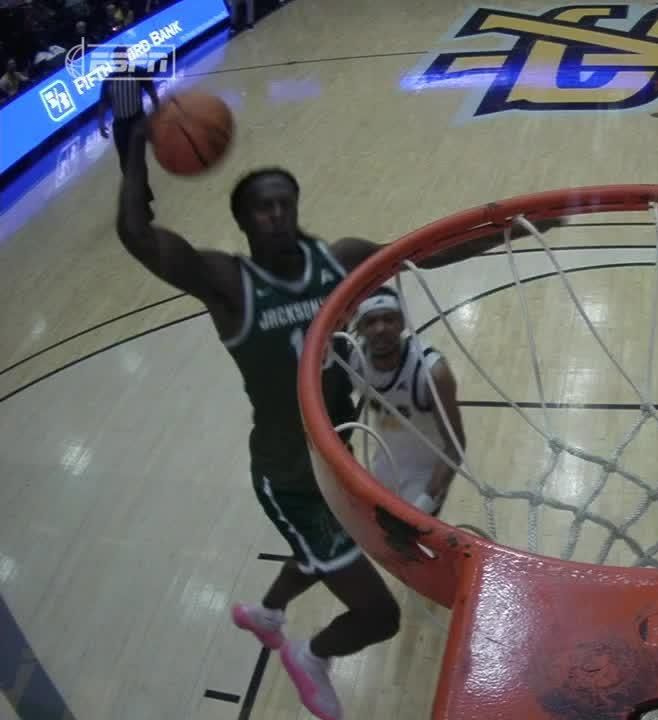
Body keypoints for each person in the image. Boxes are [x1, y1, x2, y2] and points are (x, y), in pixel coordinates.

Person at [113, 122, 558, 720]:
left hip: (341, 455)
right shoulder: (227, 282)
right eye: (261, 209)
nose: (275, 215)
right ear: (243, 224)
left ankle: (267, 613)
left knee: (336, 547)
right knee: (379, 615)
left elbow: (423, 255)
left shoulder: (340, 262)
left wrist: (511, 230)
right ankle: (310, 655)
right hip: (291, 476)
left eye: (283, 203)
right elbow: (137, 235)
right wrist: (133, 147)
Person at [346, 286, 465, 516]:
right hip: (384, 464)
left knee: (407, 545)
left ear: (402, 323)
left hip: (426, 476)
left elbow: (454, 447)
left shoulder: (431, 373)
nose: (380, 328)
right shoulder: (353, 360)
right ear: (358, 329)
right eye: (370, 322)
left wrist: (425, 504)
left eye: (389, 319)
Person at [99, 48, 160, 201]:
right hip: (120, 125)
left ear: (126, 59)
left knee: (138, 159)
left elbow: (152, 92)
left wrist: (158, 112)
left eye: (122, 58)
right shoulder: (109, 80)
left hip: (137, 121)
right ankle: (137, 191)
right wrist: (100, 123)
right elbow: (103, 103)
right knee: (125, 162)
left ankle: (144, 192)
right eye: (117, 59)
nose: (120, 61)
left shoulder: (138, 73)